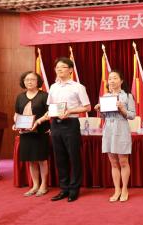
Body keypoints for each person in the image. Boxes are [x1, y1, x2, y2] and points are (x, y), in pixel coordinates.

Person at [46, 57, 91, 203]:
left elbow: (87, 107)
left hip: (71, 123)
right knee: (60, 157)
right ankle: (64, 188)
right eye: (57, 67)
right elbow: (50, 106)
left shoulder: (78, 87)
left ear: (70, 70)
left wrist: (70, 110)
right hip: (55, 124)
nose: (59, 69)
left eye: (63, 67)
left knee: (73, 157)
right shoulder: (53, 87)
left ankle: (74, 189)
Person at [95, 70, 136, 203]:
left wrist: (122, 108)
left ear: (121, 81)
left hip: (121, 128)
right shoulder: (105, 96)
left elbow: (132, 115)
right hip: (108, 130)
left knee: (123, 161)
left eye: (115, 78)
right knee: (113, 162)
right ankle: (117, 189)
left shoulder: (127, 96)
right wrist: (99, 110)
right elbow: (104, 116)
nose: (111, 81)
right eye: (110, 79)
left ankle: (124, 189)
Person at [13, 71, 50, 197]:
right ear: (23, 82)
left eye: (32, 79)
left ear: (37, 81)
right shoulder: (20, 97)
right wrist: (16, 123)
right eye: (27, 79)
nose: (29, 82)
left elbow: (49, 113)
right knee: (31, 160)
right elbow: (17, 113)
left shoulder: (44, 96)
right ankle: (35, 185)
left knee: (42, 160)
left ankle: (43, 185)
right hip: (25, 133)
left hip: (40, 132)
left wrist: (38, 122)